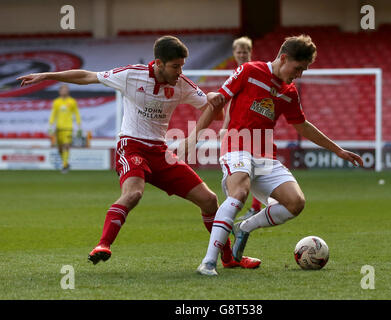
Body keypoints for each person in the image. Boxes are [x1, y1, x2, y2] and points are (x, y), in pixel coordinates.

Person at [18, 35, 260, 270]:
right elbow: (87, 76)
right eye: (175, 66)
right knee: (134, 193)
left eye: (182, 66)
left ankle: (229, 259)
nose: (180, 71)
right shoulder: (130, 75)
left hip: (161, 152)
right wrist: (47, 75)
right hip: (131, 145)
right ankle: (103, 244)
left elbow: (214, 111)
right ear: (159, 63)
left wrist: (212, 101)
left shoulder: (182, 84)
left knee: (209, 200)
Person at [193, 34, 364, 276]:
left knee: (296, 203)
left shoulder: (289, 92)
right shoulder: (249, 71)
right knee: (239, 193)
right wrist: (194, 136)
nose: (300, 74)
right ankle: (208, 262)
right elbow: (217, 102)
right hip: (236, 146)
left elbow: (302, 125)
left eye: (304, 69)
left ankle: (244, 227)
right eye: (298, 68)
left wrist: (337, 149)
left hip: (265, 156)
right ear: (283, 58)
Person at [220, 36, 263, 221]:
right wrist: (225, 126)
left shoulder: (255, 72)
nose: (241, 55)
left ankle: (255, 206)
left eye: (244, 52)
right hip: (240, 126)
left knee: (257, 165)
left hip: (254, 125)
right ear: (234, 54)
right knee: (246, 165)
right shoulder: (236, 73)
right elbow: (231, 103)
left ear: (250, 53)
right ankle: (250, 205)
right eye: (238, 52)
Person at [48, 84, 81, 173]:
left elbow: (76, 113)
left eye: (66, 90)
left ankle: (65, 165)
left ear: (68, 91)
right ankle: (65, 162)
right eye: (63, 90)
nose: (64, 91)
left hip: (68, 127)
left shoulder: (72, 101)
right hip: (58, 127)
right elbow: (53, 114)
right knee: (59, 148)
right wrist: (50, 126)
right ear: (60, 91)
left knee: (66, 145)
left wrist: (79, 126)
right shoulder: (56, 102)